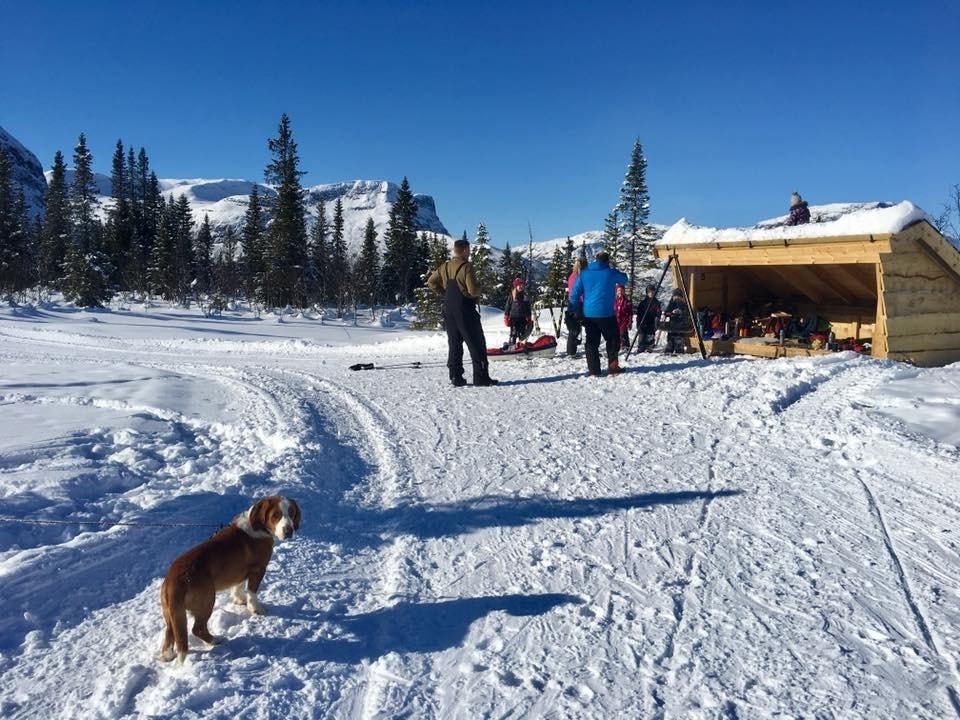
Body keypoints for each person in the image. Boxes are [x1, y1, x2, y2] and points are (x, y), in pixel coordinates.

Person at [426, 238, 498, 387]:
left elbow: (431, 282)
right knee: (476, 343)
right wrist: (479, 289)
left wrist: (444, 293)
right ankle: (481, 378)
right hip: (465, 309)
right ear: (465, 250)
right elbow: (472, 290)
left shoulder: (444, 266)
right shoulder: (466, 267)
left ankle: (455, 377)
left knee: (454, 344)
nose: (470, 252)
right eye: (469, 250)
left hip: (449, 309)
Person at [568, 249, 628, 377]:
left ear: (595, 259)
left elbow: (574, 293)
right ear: (607, 260)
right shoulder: (610, 273)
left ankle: (594, 370)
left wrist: (572, 308)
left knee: (591, 342)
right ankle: (613, 366)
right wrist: (615, 271)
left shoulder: (584, 273)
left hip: (589, 313)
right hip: (606, 314)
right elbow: (624, 279)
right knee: (612, 339)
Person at [564, 256, 586, 356]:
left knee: (573, 328)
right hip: (580, 303)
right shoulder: (581, 276)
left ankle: (571, 350)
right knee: (585, 327)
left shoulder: (572, 276)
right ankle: (573, 350)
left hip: (571, 304)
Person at [503, 277, 532, 347]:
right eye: (519, 285)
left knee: (522, 333)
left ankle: (521, 345)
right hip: (513, 318)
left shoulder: (525, 296)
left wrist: (529, 318)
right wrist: (506, 317)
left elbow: (528, 308)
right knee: (514, 333)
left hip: (522, 318)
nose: (521, 287)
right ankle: (512, 345)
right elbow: (507, 307)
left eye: (522, 285)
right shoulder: (512, 296)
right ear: (516, 286)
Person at [662, 288, 692, 354]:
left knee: (679, 337)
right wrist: (670, 314)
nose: (677, 298)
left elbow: (687, 312)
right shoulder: (672, 303)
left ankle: (679, 349)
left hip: (680, 324)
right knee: (671, 336)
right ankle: (669, 348)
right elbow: (667, 312)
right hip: (673, 323)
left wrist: (681, 313)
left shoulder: (683, 304)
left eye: (678, 296)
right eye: (675, 296)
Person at [634, 283, 662, 352]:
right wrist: (638, 322)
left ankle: (649, 346)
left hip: (651, 323)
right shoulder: (643, 303)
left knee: (650, 336)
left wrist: (657, 320)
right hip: (643, 322)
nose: (651, 293)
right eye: (649, 292)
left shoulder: (656, 303)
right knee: (642, 336)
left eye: (652, 292)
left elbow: (658, 313)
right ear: (647, 293)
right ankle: (641, 346)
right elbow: (639, 313)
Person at [613, 283, 633, 351]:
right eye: (618, 291)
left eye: (621, 290)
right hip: (616, 320)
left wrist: (630, 322)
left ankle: (625, 346)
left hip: (624, 320)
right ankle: (617, 346)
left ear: (624, 292)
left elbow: (630, 313)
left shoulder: (627, 301)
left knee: (623, 333)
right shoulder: (615, 301)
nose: (620, 292)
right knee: (616, 334)